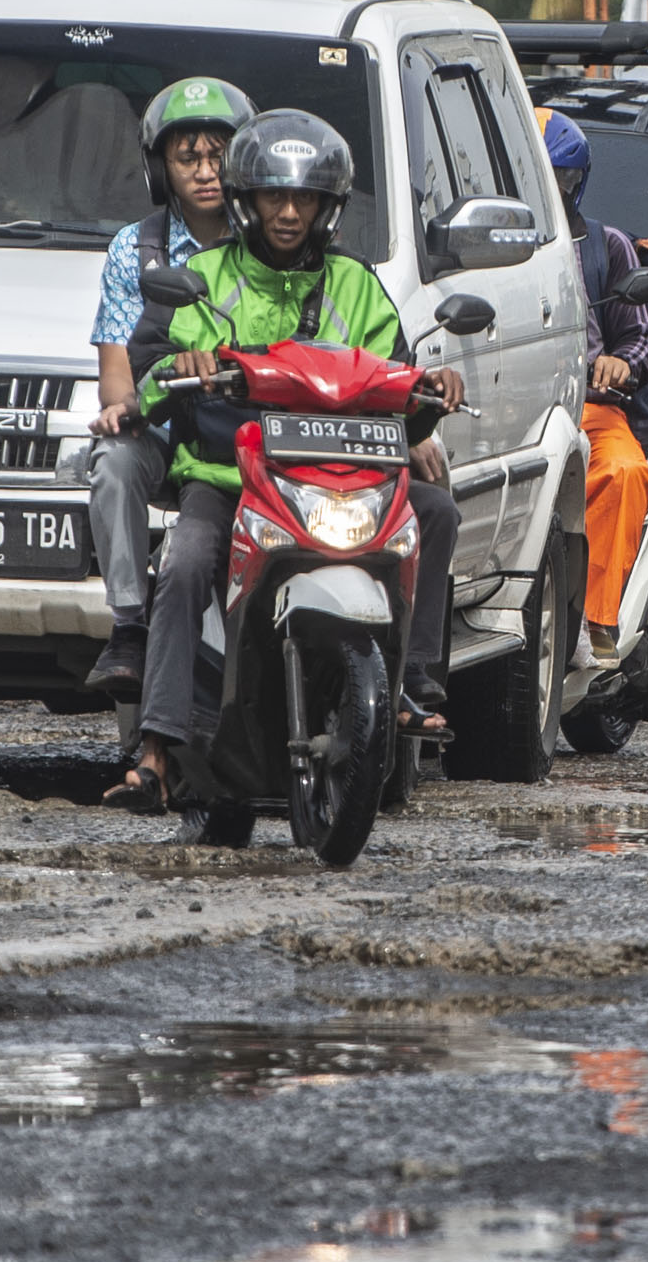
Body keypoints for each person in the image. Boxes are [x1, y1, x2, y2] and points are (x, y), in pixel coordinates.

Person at [107, 108, 462, 812]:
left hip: (342, 477)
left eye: (305, 198)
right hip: (230, 479)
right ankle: (157, 744)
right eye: (275, 196)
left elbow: (398, 385)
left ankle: (412, 686)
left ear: (329, 207)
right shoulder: (201, 278)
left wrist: (432, 394)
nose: (289, 212)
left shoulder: (358, 286)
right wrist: (185, 362)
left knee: (438, 512)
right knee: (181, 564)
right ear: (247, 200)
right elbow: (146, 379)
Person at [84, 76, 251, 698]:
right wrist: (123, 408)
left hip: (247, 440)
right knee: (112, 461)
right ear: (162, 171)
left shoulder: (273, 238)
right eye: (189, 159)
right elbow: (116, 379)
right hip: (164, 435)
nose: (206, 172)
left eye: (219, 157)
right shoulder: (136, 248)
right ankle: (128, 625)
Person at [535, 108, 648, 661]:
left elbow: (640, 337)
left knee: (625, 472)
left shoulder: (606, 247)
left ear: (573, 183)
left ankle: (593, 623)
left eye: (557, 180)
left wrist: (619, 364)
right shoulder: (499, 249)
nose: (549, 191)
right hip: (522, 406)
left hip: (591, 408)